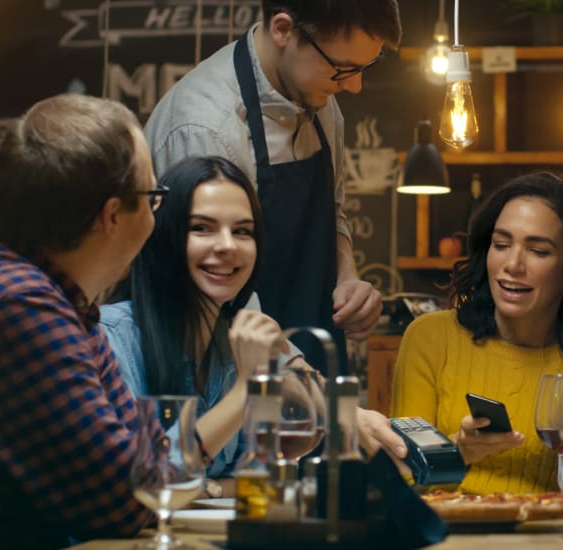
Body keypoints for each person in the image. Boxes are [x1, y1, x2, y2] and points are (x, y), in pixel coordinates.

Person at [145, 0, 400, 370]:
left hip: (307, 354)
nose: (355, 86)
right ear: (283, 29)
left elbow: (333, 212)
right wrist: (298, 379)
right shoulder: (206, 127)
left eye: (364, 68)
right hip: (220, 369)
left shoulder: (321, 101)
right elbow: (209, 286)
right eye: (342, 69)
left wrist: (347, 278)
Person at [0, 94, 161, 547]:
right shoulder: (19, 306)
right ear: (113, 215)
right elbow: (130, 499)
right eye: (153, 196)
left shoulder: (28, 283)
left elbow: (146, 465)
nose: (155, 216)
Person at [390, 171, 563, 494]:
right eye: (501, 244)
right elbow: (400, 482)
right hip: (446, 538)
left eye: (538, 251)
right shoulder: (430, 338)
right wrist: (458, 452)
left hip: (550, 538)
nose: (513, 264)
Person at [100, 156, 288, 494]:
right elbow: (138, 486)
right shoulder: (111, 338)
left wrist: (206, 489)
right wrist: (247, 389)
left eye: (243, 231)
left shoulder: (241, 345)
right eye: (201, 228)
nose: (228, 246)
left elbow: (263, 480)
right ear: (164, 237)